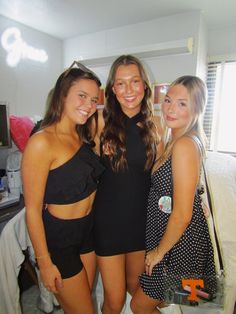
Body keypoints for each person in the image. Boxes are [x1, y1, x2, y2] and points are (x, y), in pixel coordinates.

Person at [21, 61, 104, 314]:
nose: (88, 105)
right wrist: (44, 263)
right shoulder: (41, 142)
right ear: (62, 94)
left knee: (81, 304)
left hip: (87, 231)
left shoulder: (83, 134)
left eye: (93, 100)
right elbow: (32, 210)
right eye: (81, 96)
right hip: (60, 239)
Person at [130, 75, 217, 314]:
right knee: (172, 301)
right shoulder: (176, 139)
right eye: (168, 100)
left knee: (138, 306)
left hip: (177, 245)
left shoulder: (184, 145)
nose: (170, 108)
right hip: (177, 240)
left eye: (182, 103)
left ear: (197, 109)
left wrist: (159, 252)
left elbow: (181, 214)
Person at [93, 55, 159, 313]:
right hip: (108, 222)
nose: (128, 90)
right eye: (120, 83)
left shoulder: (156, 126)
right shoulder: (99, 122)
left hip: (140, 221)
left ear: (145, 85)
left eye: (134, 81)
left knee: (135, 287)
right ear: (112, 89)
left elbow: (162, 176)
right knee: (115, 298)